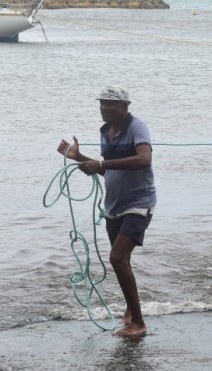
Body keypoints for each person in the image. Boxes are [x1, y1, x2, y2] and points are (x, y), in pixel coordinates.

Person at [57, 85, 156, 337]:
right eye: (102, 103)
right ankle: (131, 311)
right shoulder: (106, 131)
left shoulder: (137, 127)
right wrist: (79, 157)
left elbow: (144, 159)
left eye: (110, 104)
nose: (104, 108)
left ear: (125, 107)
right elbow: (107, 169)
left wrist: (100, 163)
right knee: (123, 260)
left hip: (139, 203)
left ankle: (139, 323)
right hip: (113, 207)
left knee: (117, 258)